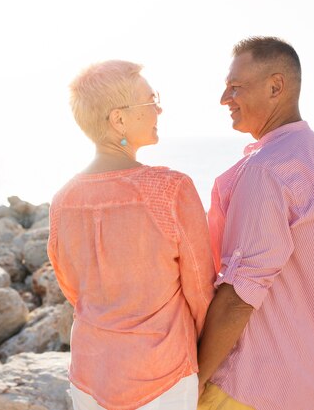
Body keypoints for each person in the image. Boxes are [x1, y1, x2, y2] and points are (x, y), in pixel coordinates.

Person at [47, 60, 215, 410]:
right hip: (162, 377)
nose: (159, 108)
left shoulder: (63, 200)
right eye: (150, 100)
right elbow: (200, 292)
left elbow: (73, 290)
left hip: (90, 375)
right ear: (118, 119)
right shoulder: (171, 189)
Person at [196, 37, 314, 410]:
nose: (224, 99)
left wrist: (194, 380)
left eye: (235, 87)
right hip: (308, 385)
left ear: (275, 87)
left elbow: (239, 295)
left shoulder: (266, 169)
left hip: (247, 387)